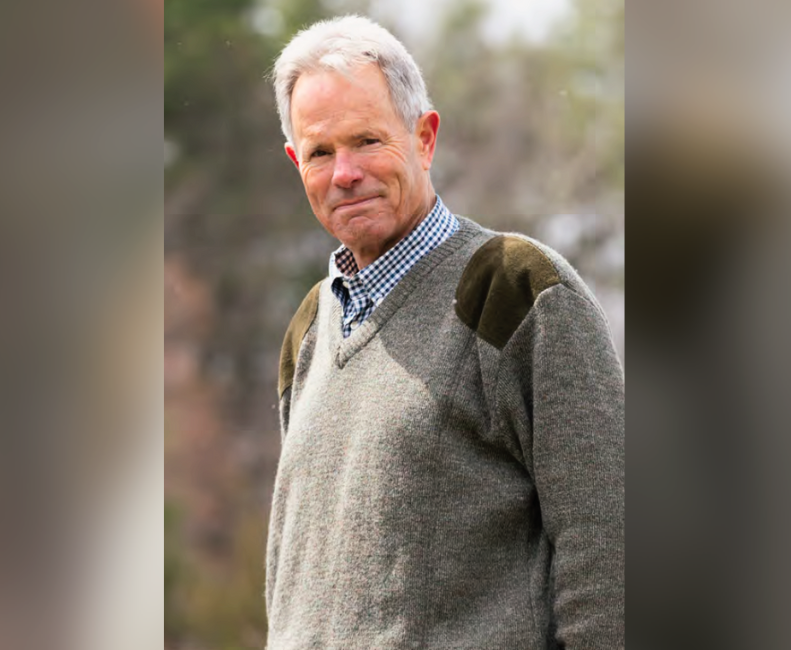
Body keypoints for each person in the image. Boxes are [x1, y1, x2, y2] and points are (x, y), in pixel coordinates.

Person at [267, 15, 624, 649]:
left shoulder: (515, 289)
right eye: (321, 152)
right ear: (297, 162)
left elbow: (610, 539)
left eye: (367, 140)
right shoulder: (308, 331)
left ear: (424, 138)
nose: (344, 172)